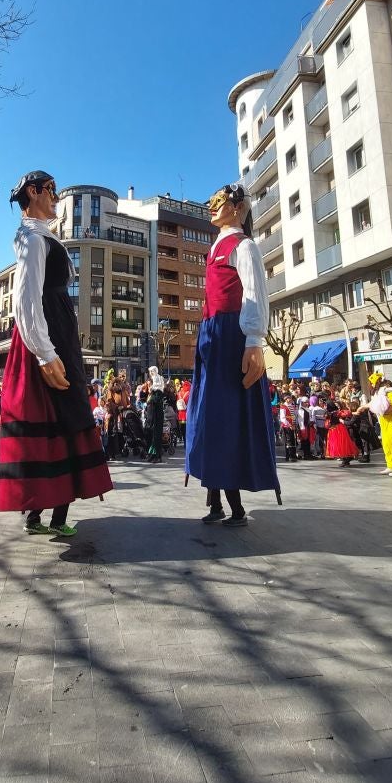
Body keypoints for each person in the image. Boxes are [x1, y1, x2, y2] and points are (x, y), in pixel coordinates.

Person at [0, 170, 112, 536]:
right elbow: (26, 298)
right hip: (47, 336)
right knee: (57, 415)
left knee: (62, 416)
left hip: (57, 331)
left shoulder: (42, 237)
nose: (57, 196)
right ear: (33, 192)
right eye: (51, 190)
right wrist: (44, 353)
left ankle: (48, 515)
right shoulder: (31, 238)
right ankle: (42, 515)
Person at [185, 182, 279, 526]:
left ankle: (231, 504)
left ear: (238, 207)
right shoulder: (216, 247)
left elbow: (255, 294)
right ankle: (215, 501)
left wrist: (254, 340)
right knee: (209, 417)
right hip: (211, 335)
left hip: (230, 336)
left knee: (225, 417)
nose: (212, 205)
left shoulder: (245, 246)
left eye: (219, 200)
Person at [143, 366, 165, 463]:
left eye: (152, 371)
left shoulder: (157, 394)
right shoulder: (153, 394)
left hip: (155, 420)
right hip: (153, 420)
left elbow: (155, 403)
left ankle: (156, 456)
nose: (151, 373)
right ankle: (153, 455)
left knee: (155, 437)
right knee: (152, 436)